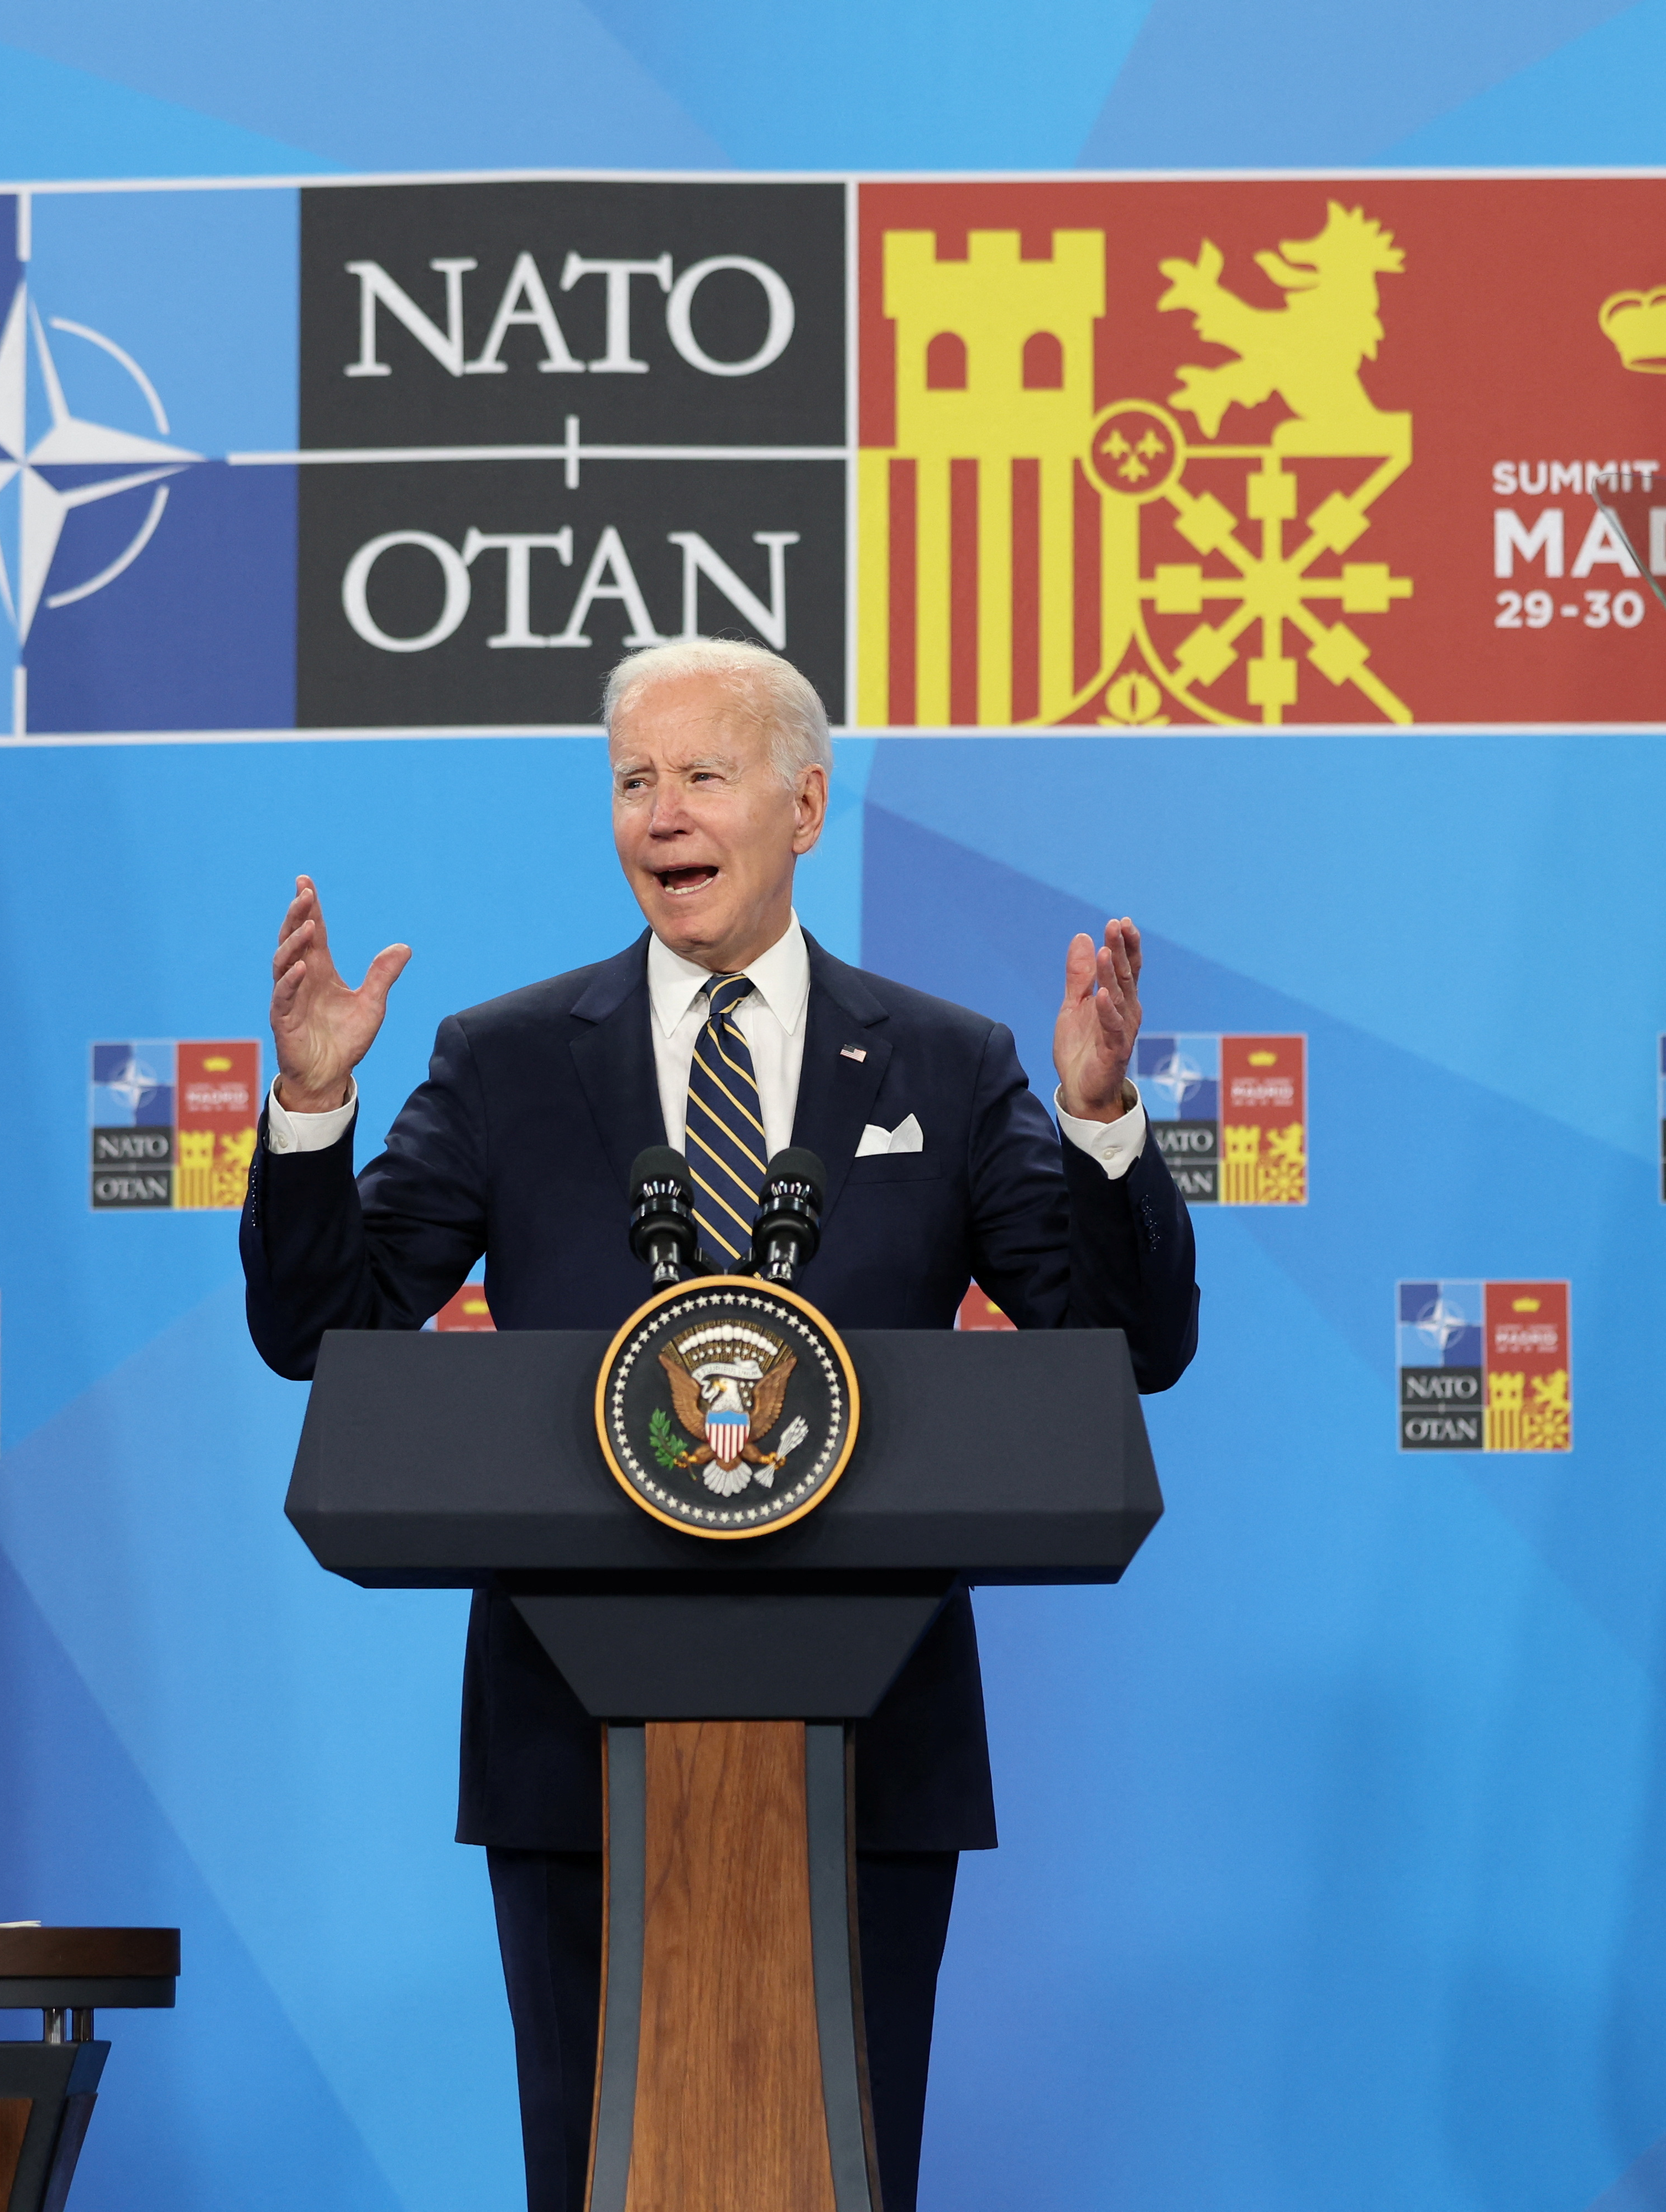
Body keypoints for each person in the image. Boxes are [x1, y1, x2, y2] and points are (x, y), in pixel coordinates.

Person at [241, 637, 1198, 2212]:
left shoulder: (949, 1067)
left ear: (805, 804)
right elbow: (319, 1334)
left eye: (701, 774)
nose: (660, 815)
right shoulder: (503, 1060)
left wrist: (1101, 1129)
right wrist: (311, 1114)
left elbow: (1125, 1348)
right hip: (573, 1740)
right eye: (632, 781)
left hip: (872, 1741)